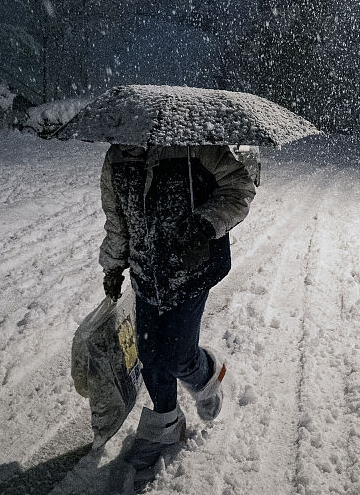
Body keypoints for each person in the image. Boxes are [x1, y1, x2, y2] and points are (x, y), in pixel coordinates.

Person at [98, 143, 256, 480]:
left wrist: (204, 225)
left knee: (177, 355)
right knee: (149, 353)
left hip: (189, 270)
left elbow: (239, 187)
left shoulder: (193, 146)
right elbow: (117, 219)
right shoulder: (117, 156)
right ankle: (166, 422)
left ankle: (208, 373)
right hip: (145, 273)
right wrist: (113, 266)